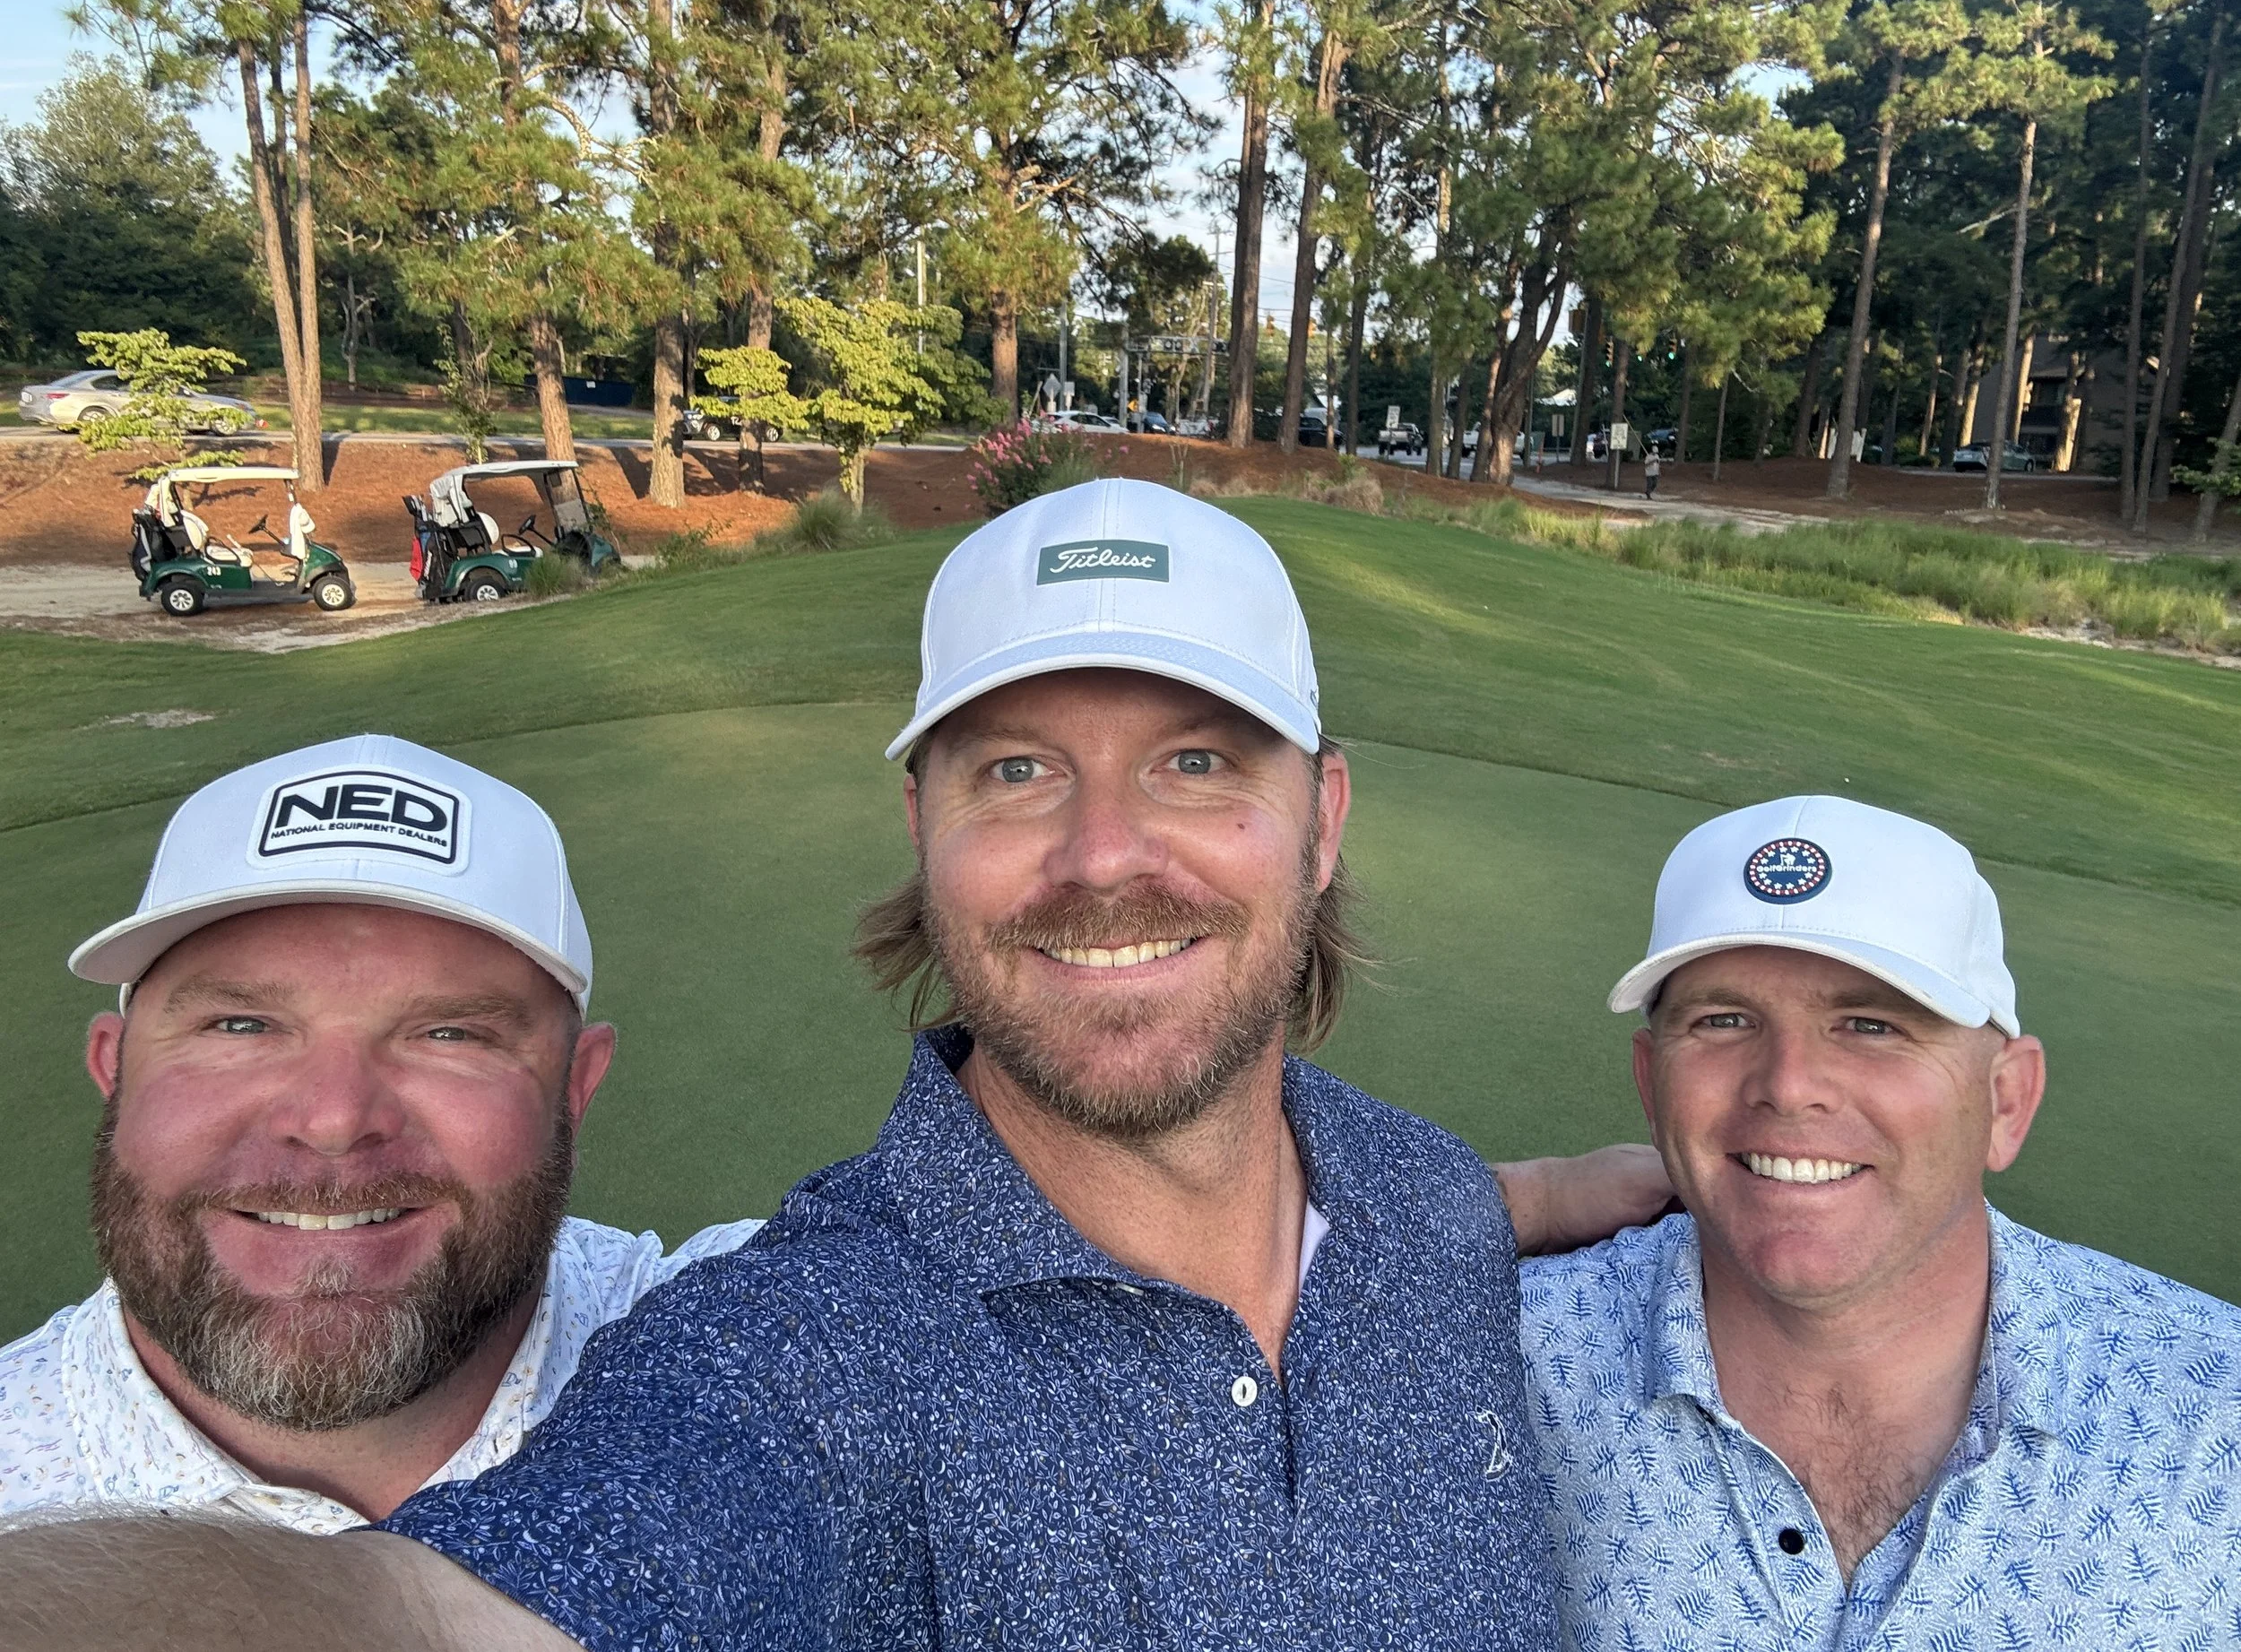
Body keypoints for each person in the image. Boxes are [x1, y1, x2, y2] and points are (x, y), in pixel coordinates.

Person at [0, 480, 1668, 1650]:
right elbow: (437, 1618)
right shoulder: (801, 1351)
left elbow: (1443, 1204)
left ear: (1325, 824)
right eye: (1016, 769)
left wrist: (1657, 1186)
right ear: (924, 834)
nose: (1102, 854)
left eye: (1195, 760)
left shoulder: (1419, 1204)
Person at [1520, 795, 2241, 1649]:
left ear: (2006, 1100)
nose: (1788, 1084)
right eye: (1723, 1020)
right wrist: (1516, 1198)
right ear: (1651, 1085)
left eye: (1872, 1025)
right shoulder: (1497, 1353)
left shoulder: (2215, 1417)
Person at [0, 735, 762, 1530]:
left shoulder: (743, 1352)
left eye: (451, 1034)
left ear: (575, 1086)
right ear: (115, 1068)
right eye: (241, 1023)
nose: (333, 1120)